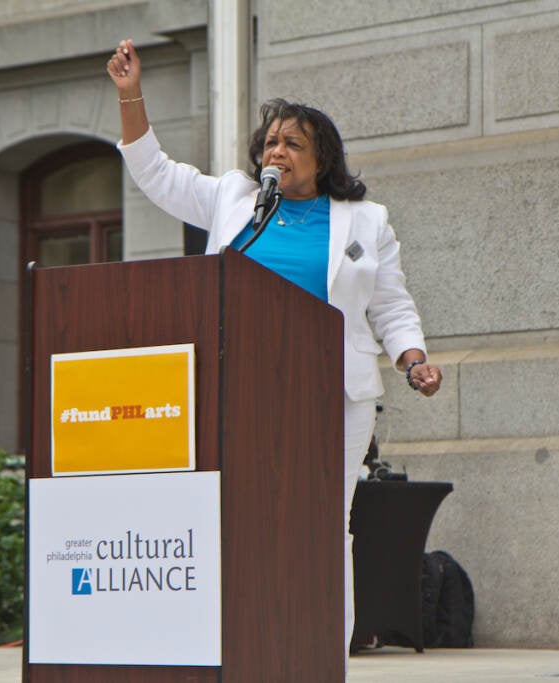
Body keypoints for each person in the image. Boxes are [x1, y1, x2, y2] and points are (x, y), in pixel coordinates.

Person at [107, 38, 442, 661]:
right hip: (242, 386)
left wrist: (413, 358)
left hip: (333, 393)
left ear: (322, 158)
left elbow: (390, 305)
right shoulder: (235, 201)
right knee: (238, 518)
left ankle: (323, 652)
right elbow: (156, 174)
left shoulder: (365, 220)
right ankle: (240, 643)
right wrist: (131, 96)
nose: (276, 151)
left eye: (291, 143)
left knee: (322, 523)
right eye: (269, 142)